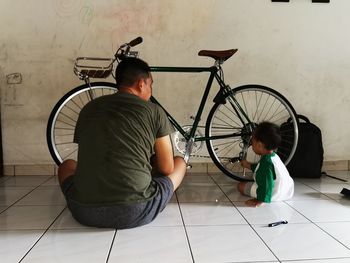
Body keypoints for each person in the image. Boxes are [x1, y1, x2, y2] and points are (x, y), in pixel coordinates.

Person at [58, 57, 187, 229]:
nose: (150, 90)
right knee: (179, 162)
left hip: (83, 210)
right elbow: (166, 168)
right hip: (136, 210)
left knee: (67, 165)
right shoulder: (154, 111)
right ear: (141, 84)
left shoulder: (89, 108)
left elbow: (93, 153)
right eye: (151, 84)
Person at [237, 122, 294, 207]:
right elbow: (260, 168)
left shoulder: (266, 163)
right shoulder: (273, 157)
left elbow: (267, 183)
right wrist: (247, 165)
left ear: (260, 145)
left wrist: (260, 200)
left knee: (240, 186)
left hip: (273, 194)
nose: (251, 145)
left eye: (252, 142)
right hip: (287, 191)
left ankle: (263, 197)